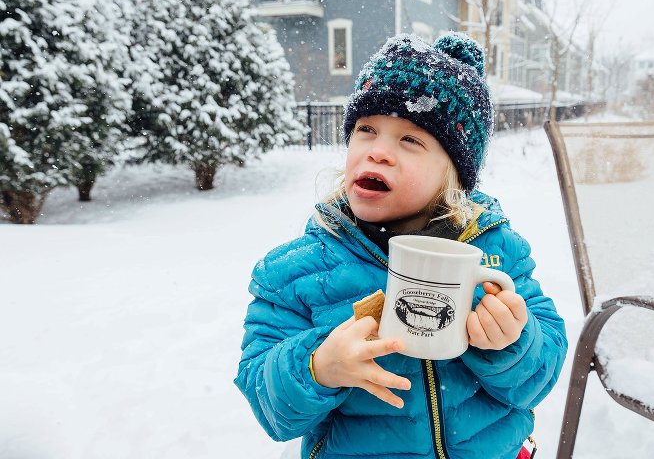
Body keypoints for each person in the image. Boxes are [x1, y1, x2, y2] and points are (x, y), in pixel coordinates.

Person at [234, 32, 568, 459]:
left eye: (410, 140)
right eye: (366, 129)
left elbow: (538, 377)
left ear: (453, 174)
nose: (378, 152)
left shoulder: (498, 252)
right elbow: (269, 406)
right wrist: (319, 367)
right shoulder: (296, 271)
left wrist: (512, 344)